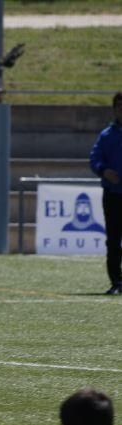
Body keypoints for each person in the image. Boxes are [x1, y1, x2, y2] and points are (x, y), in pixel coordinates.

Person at [89, 92, 122, 296]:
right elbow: (94, 158)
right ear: (114, 109)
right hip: (113, 194)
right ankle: (116, 281)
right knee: (113, 239)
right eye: (119, 106)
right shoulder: (107, 135)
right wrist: (104, 171)